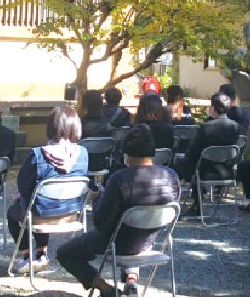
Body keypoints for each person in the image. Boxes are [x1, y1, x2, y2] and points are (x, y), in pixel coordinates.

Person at [55, 124, 181, 297]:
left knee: (64, 253)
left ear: (127, 154)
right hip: (148, 241)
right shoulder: (171, 176)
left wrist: (97, 198)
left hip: (115, 243)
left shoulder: (120, 180)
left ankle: (106, 289)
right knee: (133, 229)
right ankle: (131, 281)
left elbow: (101, 223)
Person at [7, 106, 89, 273]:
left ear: (51, 127)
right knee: (38, 202)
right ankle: (41, 254)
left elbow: (23, 185)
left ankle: (27, 256)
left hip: (40, 216)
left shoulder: (38, 154)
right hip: (71, 215)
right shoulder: (83, 153)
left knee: (16, 212)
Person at [184, 92, 240, 216]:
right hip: (228, 171)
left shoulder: (206, 127)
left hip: (206, 172)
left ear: (213, 108)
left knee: (191, 163)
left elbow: (194, 151)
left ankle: (197, 203)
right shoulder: (235, 126)